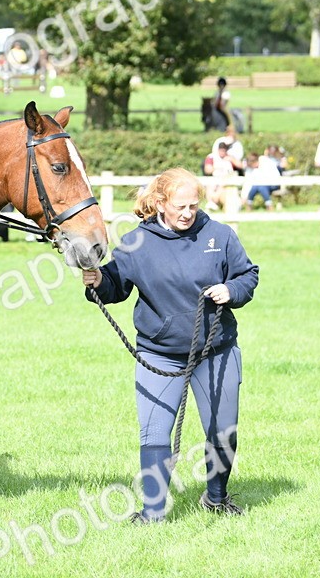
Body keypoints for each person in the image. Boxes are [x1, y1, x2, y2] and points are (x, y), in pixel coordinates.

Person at [81, 168, 259, 523]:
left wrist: (232, 291)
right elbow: (116, 286)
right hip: (157, 354)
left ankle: (217, 498)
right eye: (180, 206)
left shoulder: (219, 235)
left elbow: (247, 275)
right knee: (155, 433)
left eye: (193, 205)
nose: (187, 213)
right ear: (160, 203)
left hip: (216, 350)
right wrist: (99, 279)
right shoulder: (135, 243)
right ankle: (152, 512)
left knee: (223, 431)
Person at [203, 141, 240, 210]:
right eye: (221, 150)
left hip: (226, 180)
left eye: (224, 151)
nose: (222, 153)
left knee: (223, 186)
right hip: (215, 180)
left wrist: (232, 160)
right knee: (210, 185)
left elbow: (240, 166)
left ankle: (214, 203)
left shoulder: (229, 158)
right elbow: (207, 170)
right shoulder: (212, 157)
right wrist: (217, 166)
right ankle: (212, 203)